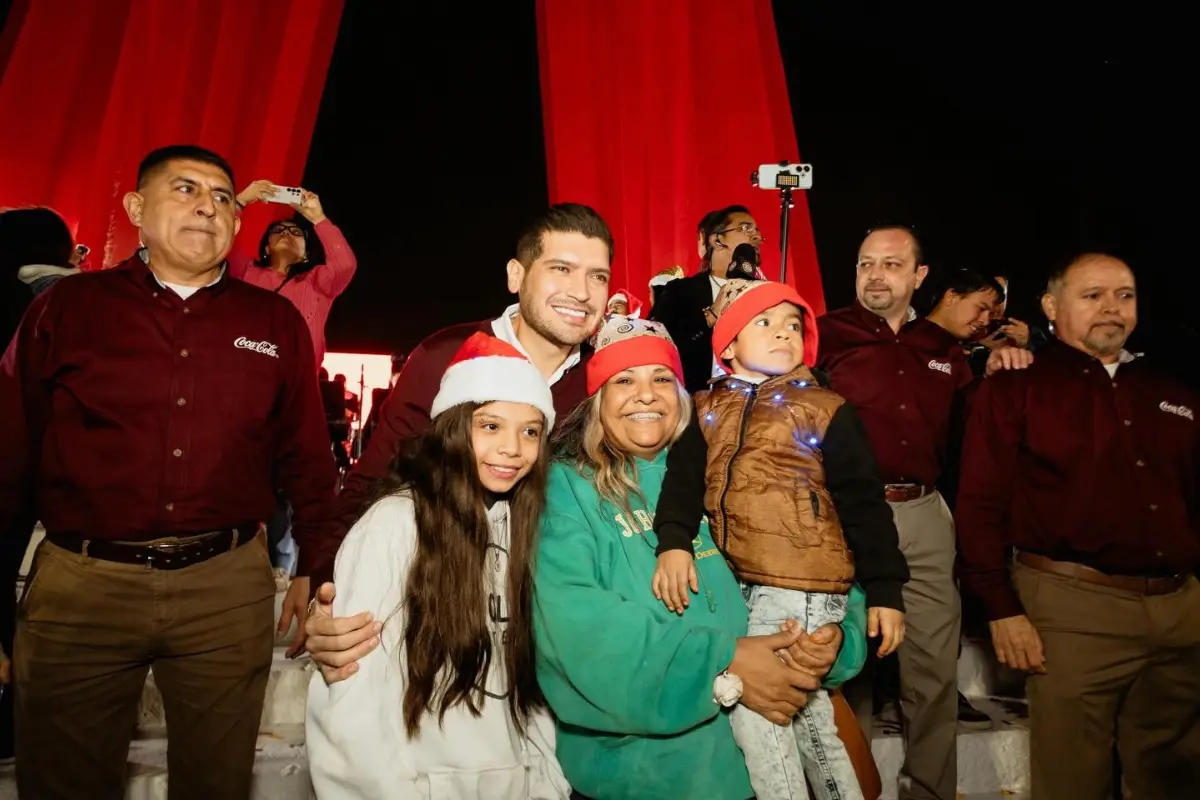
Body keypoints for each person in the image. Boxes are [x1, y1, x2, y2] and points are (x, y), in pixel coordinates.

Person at [0, 144, 341, 799]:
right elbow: (11, 453)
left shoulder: (273, 322)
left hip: (225, 585)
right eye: (185, 189)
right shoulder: (66, 310)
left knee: (215, 781)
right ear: (136, 208)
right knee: (64, 779)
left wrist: (316, 561)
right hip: (82, 586)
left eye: (220, 197)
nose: (206, 207)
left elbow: (306, 456)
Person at [534, 317, 873, 800]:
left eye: (661, 379)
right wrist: (729, 664)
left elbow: (825, 569)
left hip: (761, 773)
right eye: (624, 380)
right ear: (597, 402)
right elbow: (578, 632)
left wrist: (831, 642)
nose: (646, 395)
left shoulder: (729, 469)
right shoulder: (567, 490)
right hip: (644, 777)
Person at [956, 253, 1200, 800]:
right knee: (1072, 779)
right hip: (1072, 605)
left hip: (1181, 610)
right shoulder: (1017, 387)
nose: (1110, 307)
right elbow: (979, 505)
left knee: (1176, 775)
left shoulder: (1175, 396)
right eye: (1092, 295)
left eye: (1125, 295)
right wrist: (1001, 607)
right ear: (1050, 306)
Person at [650, 280, 908, 798]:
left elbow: (863, 502)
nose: (784, 333)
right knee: (811, 717)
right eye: (764, 323)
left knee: (757, 710)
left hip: (802, 583)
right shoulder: (705, 410)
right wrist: (674, 542)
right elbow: (681, 485)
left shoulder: (823, 409)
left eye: (794, 325)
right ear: (727, 345)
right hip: (739, 581)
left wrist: (884, 588)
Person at [817, 225, 1031, 800]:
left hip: (925, 514)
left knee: (934, 668)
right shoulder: (823, 334)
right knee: (850, 666)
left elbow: (972, 442)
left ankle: (930, 792)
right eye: (865, 264)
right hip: (845, 517)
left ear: (919, 276)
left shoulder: (944, 349)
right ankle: (847, 790)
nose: (875, 275)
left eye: (891, 264)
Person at [306, 333, 569, 798]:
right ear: (452, 427)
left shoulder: (521, 525)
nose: (513, 447)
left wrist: (545, 782)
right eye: (490, 426)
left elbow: (526, 691)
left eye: (530, 431)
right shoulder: (394, 525)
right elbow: (353, 710)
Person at [309, 203, 613, 589]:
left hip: (556, 597)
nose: (582, 293)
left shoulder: (605, 378)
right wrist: (324, 583)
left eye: (598, 276)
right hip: (441, 591)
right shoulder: (446, 355)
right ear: (516, 275)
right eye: (561, 269)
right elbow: (374, 479)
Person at [232, 180, 357, 369]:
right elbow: (214, 239)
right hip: (244, 378)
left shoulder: (317, 280)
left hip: (297, 386)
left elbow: (345, 265)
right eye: (278, 231)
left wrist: (318, 218)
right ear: (267, 248)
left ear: (306, 254)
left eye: (295, 232)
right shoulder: (244, 271)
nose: (287, 234)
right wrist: (240, 201)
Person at [650, 205, 764, 392]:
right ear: (717, 240)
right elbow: (658, 343)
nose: (756, 237)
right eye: (745, 228)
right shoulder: (680, 291)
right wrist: (710, 316)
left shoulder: (764, 292)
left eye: (757, 231)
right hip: (696, 402)